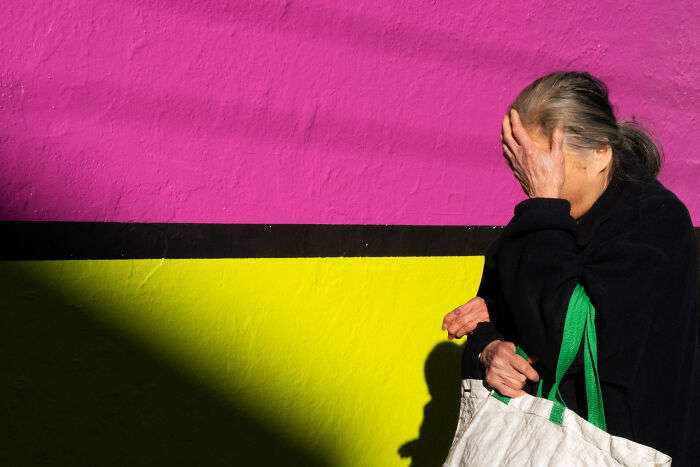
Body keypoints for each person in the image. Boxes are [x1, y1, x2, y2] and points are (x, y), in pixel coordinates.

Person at [441, 71, 699, 465]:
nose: (533, 183)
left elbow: (566, 341)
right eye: (524, 169)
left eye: (545, 166)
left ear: (599, 151)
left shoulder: (655, 223)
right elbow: (487, 318)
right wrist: (490, 350)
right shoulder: (537, 223)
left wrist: (544, 206)